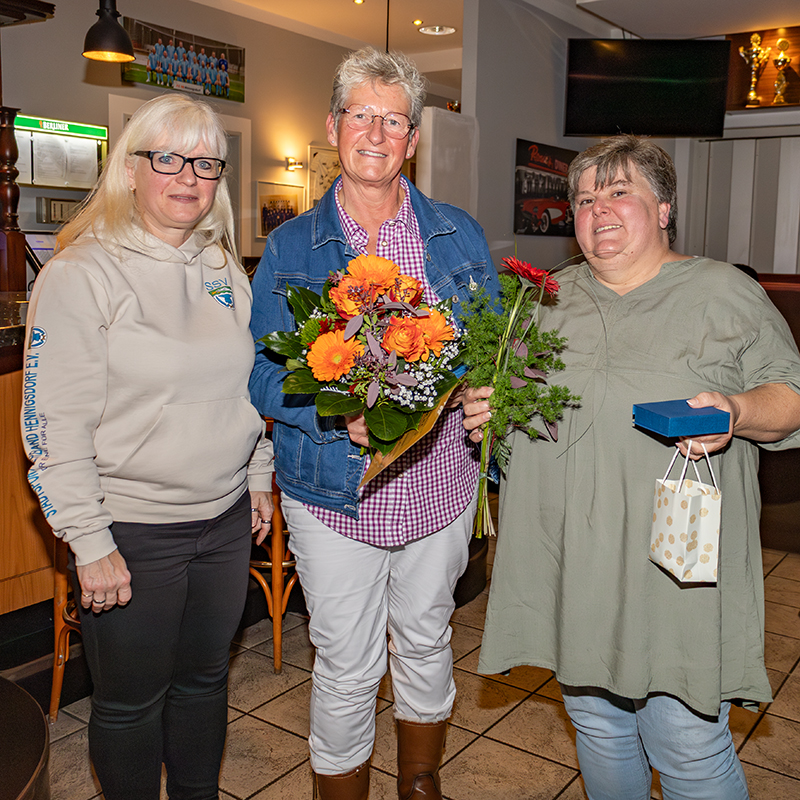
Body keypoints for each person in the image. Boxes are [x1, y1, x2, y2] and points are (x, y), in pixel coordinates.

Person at [463, 134, 800, 800]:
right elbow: (518, 431)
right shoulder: (547, 301)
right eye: (585, 198)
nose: (598, 210)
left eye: (620, 192)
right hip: (572, 556)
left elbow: (789, 399)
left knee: (685, 740)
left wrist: (734, 408)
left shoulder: (720, 291)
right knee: (596, 722)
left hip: (671, 563)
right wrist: (489, 417)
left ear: (664, 208)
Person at [249, 47, 500, 800]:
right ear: (334, 125)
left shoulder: (457, 235)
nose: (377, 132)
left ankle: (419, 781)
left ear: (413, 140)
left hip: (440, 488)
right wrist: (339, 413)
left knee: (426, 642)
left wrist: (492, 390)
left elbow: (493, 349)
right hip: (334, 495)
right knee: (348, 661)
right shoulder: (293, 247)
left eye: (394, 120)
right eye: (362, 114)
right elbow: (261, 374)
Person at [21, 93, 274, 800]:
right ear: (128, 170)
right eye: (167, 157)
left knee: (205, 683)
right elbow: (52, 426)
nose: (188, 176)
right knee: (131, 702)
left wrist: (257, 472)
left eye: (205, 162)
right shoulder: (81, 274)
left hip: (223, 524)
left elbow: (246, 385)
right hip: (131, 532)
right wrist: (88, 538)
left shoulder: (224, 268)